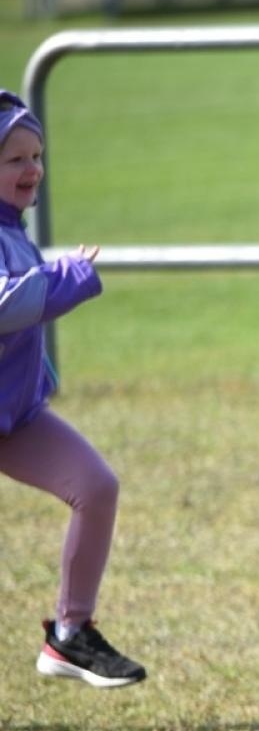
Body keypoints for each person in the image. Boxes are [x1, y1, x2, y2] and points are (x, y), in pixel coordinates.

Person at [0, 91, 144, 689]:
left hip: (14, 417)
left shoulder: (12, 228)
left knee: (96, 486)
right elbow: (8, 303)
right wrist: (67, 277)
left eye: (37, 155)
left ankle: (71, 634)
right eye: (14, 159)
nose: (32, 168)